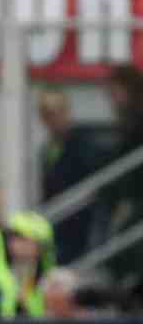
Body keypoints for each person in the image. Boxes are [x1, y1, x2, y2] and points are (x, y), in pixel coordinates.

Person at [36, 88, 99, 264]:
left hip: (80, 223)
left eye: (60, 111)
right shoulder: (46, 150)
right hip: (55, 221)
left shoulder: (84, 145)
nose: (55, 118)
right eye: (49, 113)